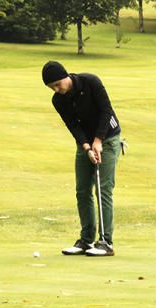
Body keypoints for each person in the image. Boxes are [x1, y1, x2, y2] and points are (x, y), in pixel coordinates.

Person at [42, 60, 122, 257]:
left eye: (57, 84)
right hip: (85, 143)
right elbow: (73, 125)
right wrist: (87, 147)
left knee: (103, 188)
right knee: (82, 190)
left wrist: (98, 140)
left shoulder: (91, 82)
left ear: (65, 76)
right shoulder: (58, 100)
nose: (56, 89)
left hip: (109, 138)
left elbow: (106, 111)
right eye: (52, 87)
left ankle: (106, 242)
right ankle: (86, 240)